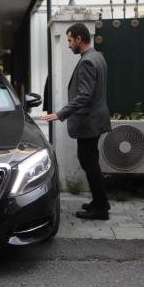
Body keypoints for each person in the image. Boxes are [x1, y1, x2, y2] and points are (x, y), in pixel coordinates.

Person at [41, 22, 112, 220]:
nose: (69, 44)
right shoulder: (98, 57)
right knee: (90, 161)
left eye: (70, 40)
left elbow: (85, 96)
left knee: (89, 162)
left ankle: (101, 208)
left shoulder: (88, 61)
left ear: (79, 39)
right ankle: (100, 202)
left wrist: (61, 114)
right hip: (95, 120)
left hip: (89, 122)